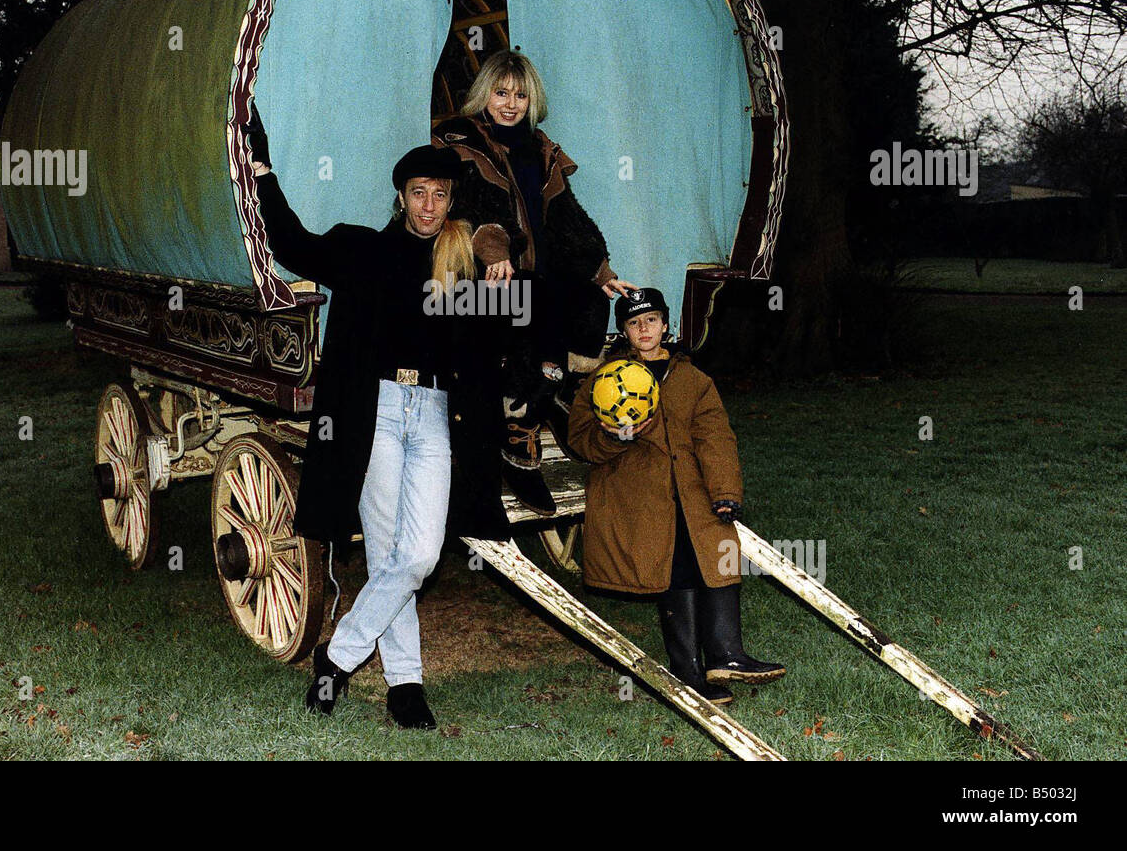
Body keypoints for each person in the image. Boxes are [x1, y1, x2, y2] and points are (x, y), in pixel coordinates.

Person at [241, 108, 515, 729]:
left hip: (438, 414)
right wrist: (263, 175)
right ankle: (405, 684)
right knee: (394, 549)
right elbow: (293, 244)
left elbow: (506, 325)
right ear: (401, 195)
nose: (430, 204)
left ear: (450, 201)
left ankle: (336, 659)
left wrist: (502, 260)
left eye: (441, 194)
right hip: (379, 413)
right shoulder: (363, 249)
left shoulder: (458, 268)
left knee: (418, 554)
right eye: (420, 192)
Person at [433, 50, 635, 515]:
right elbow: (469, 204)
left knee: (588, 300)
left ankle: (550, 398)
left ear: (532, 100)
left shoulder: (540, 147)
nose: (510, 103)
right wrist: (494, 251)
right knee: (535, 303)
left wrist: (600, 270)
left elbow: (566, 216)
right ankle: (518, 431)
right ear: (484, 93)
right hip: (473, 275)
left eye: (520, 95)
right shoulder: (459, 138)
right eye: (501, 92)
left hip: (536, 272)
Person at [567, 287, 783, 704]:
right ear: (624, 332)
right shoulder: (604, 379)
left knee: (720, 549)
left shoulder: (692, 380)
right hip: (636, 494)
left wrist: (725, 492)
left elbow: (715, 438)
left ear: (666, 326)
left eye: (651, 320)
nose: (644, 329)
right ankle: (687, 671)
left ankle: (726, 653)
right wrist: (618, 437)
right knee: (672, 567)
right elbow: (580, 439)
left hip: (692, 490)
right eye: (634, 322)